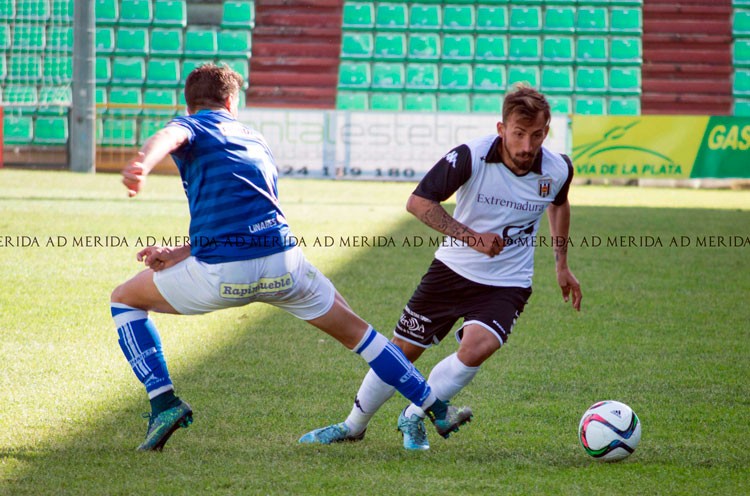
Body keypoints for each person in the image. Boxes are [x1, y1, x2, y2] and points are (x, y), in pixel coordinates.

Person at [111, 64, 469, 451]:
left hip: (224, 274)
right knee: (363, 335)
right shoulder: (254, 138)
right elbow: (253, 213)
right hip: (284, 263)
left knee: (124, 298)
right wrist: (179, 253)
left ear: (189, 104)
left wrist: (141, 164)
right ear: (232, 101)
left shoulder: (193, 126)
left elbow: (170, 134)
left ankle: (164, 402)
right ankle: (435, 407)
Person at [299, 85, 583, 450]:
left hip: (508, 281)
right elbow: (418, 202)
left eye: (537, 135)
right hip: (452, 271)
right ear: (501, 129)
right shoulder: (471, 156)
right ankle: (353, 425)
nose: (528, 145)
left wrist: (562, 264)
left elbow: (559, 203)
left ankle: (415, 415)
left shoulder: (558, 169)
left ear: (547, 132)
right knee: (402, 352)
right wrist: (471, 237)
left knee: (479, 347)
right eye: (519, 134)